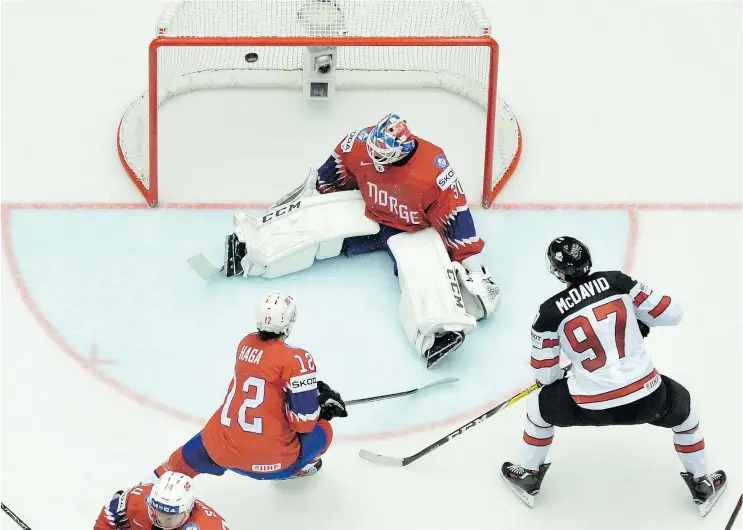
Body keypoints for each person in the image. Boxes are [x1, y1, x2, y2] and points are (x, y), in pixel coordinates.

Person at [220, 113, 501, 368]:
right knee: (318, 219)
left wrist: (474, 268)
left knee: (424, 273)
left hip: (412, 230)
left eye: (383, 156)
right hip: (368, 210)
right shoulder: (360, 142)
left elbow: (457, 215)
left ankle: (437, 335)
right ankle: (249, 250)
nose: (375, 159)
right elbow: (332, 172)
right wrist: (314, 201)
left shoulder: (435, 169)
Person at [501, 236, 727, 516]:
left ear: (557, 271)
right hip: (650, 400)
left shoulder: (547, 314)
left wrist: (562, 373)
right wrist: (641, 318)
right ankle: (702, 480)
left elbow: (545, 375)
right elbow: (672, 313)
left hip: (588, 407)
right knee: (686, 413)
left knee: (537, 407)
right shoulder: (617, 281)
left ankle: (528, 474)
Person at [143, 293, 347, 483]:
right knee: (324, 431)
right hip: (273, 464)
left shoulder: (245, 343)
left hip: (222, 450)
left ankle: (143, 489)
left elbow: (267, 381)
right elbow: (303, 423)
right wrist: (319, 410)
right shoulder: (298, 360)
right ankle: (300, 468)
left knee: (185, 458)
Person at [94, 471, 228, 530]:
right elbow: (107, 520)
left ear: (188, 510)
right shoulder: (136, 498)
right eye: (156, 512)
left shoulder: (211, 526)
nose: (161, 521)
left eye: (170, 517)